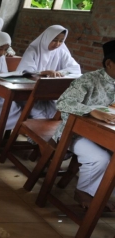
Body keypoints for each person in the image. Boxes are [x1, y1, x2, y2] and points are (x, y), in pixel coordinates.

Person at [54, 40, 115, 210]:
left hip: (105, 134)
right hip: (75, 133)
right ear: (109, 63)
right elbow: (63, 102)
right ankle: (84, 191)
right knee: (100, 158)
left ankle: (101, 193)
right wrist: (91, 111)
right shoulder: (88, 80)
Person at [17, 25, 82, 119]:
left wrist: (59, 73)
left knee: (58, 114)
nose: (57, 44)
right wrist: (41, 73)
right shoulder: (33, 50)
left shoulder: (61, 52)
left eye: (61, 41)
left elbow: (75, 69)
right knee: (37, 113)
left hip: (51, 92)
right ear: (47, 37)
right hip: (31, 92)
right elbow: (25, 71)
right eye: (54, 40)